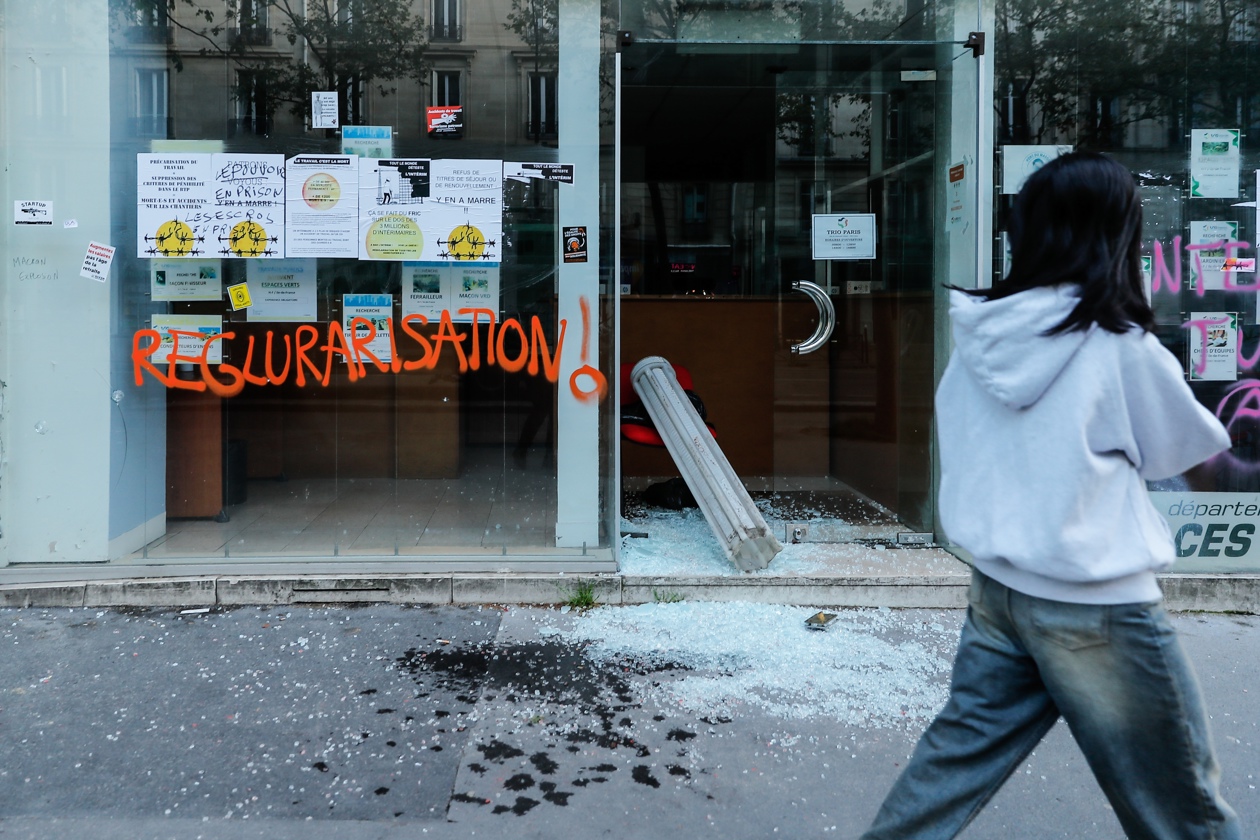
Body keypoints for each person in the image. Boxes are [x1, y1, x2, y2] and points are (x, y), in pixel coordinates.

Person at [860, 152, 1242, 840]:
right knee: (1185, 813)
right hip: (1099, 608)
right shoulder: (1119, 347)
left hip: (999, 596)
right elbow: (1187, 458)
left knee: (946, 777)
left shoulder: (981, 333)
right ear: (1119, 234)